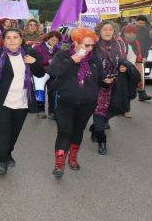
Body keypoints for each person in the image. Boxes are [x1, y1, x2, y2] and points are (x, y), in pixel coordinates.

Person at [0, 29, 45, 175]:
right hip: (1, 101)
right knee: (2, 131)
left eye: (15, 37)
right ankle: (2, 161)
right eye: (8, 38)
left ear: (21, 39)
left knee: (14, 132)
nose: (12, 40)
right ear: (4, 40)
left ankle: (8, 153)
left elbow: (40, 73)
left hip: (21, 101)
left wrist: (34, 63)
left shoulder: (29, 53)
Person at [47, 28, 110, 179]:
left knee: (78, 131)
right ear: (76, 43)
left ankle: (73, 158)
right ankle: (59, 164)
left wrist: (106, 81)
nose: (89, 49)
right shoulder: (63, 55)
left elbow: (101, 78)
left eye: (91, 46)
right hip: (65, 101)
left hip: (87, 103)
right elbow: (53, 71)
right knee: (64, 131)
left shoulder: (94, 59)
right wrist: (72, 60)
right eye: (86, 45)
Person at [89, 21, 137, 156]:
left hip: (115, 84)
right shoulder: (93, 45)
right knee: (99, 111)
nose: (108, 31)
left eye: (110, 29)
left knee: (109, 111)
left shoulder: (120, 45)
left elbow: (124, 61)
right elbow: (87, 63)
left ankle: (94, 129)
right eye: (105, 29)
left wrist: (124, 66)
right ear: (99, 31)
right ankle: (102, 142)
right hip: (97, 84)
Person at [33, 31, 62, 119]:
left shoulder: (58, 49)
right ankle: (41, 110)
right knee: (40, 92)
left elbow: (60, 62)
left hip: (52, 73)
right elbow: (34, 61)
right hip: (40, 73)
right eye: (53, 40)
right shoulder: (38, 47)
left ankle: (51, 112)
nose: (54, 42)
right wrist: (47, 62)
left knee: (52, 93)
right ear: (48, 38)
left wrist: (55, 63)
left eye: (56, 41)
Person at [123, 24, 151, 101]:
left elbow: (145, 50)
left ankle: (142, 94)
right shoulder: (121, 42)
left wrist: (145, 57)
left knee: (140, 78)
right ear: (125, 33)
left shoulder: (139, 41)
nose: (131, 35)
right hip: (127, 64)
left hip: (138, 62)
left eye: (133, 33)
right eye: (129, 33)